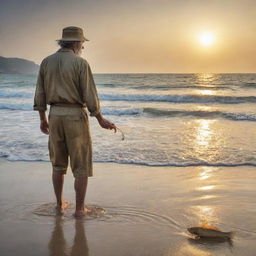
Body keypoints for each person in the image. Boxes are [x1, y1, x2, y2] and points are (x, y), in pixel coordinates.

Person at [33, 26, 116, 217]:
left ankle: (59, 204)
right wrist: (100, 118)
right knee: (81, 166)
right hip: (75, 116)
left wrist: (42, 118)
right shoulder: (80, 63)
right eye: (82, 43)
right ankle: (79, 209)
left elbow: (40, 92)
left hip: (55, 115)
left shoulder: (46, 62)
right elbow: (89, 94)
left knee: (58, 164)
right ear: (77, 43)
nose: (83, 47)